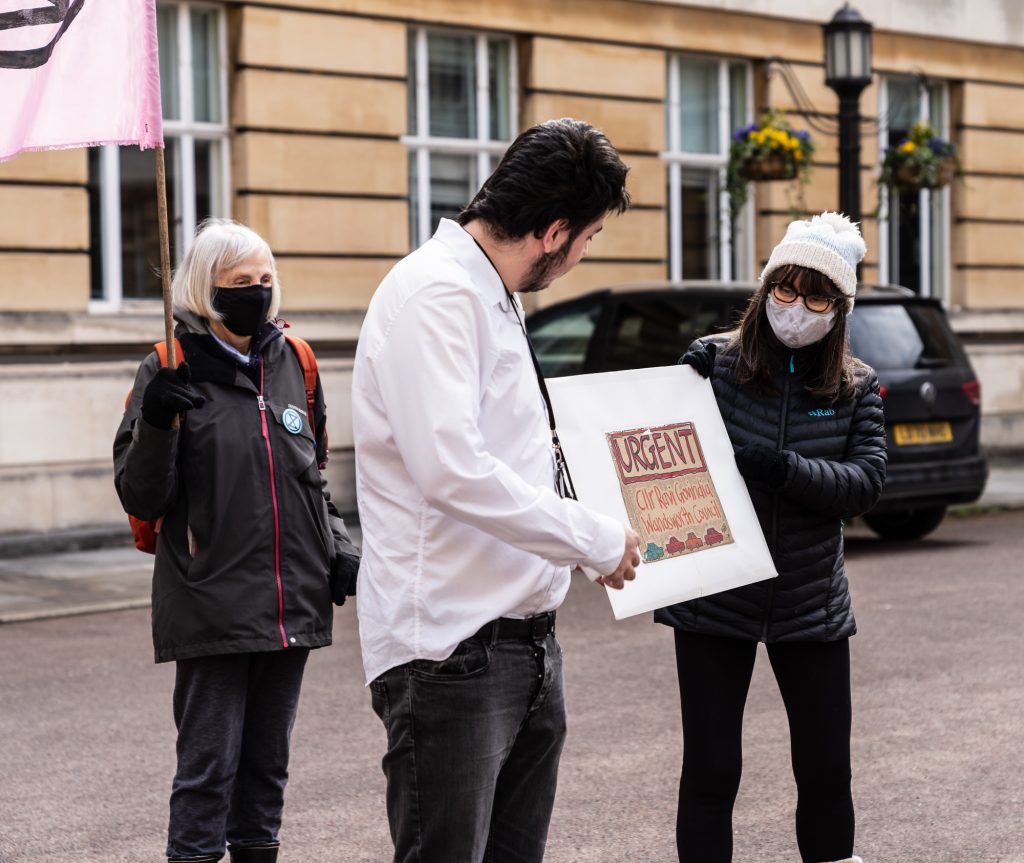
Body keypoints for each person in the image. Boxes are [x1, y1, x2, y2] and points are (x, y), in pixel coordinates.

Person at [351, 117, 643, 862]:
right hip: (453, 652)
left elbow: (517, 454)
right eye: (588, 239)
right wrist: (592, 538)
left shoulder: (490, 291)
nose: (582, 256)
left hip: (523, 643)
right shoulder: (436, 295)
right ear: (552, 230)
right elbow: (453, 468)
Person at [113, 219, 359, 863]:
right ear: (204, 289)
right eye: (238, 283)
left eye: (263, 280)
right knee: (206, 775)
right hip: (212, 600)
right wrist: (159, 421)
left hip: (290, 602)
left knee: (265, 773)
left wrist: (339, 547)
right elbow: (142, 496)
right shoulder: (164, 366)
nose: (255, 292)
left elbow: (312, 475)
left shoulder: (295, 361)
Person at [659, 212, 887, 863]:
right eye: (785, 288)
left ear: (838, 309)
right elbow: (662, 444)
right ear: (765, 289)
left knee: (824, 770)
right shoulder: (718, 365)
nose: (797, 306)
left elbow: (866, 483)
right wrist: (681, 382)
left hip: (810, 600)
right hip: (713, 595)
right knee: (709, 771)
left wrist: (788, 471)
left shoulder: (856, 385)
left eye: (817, 295)